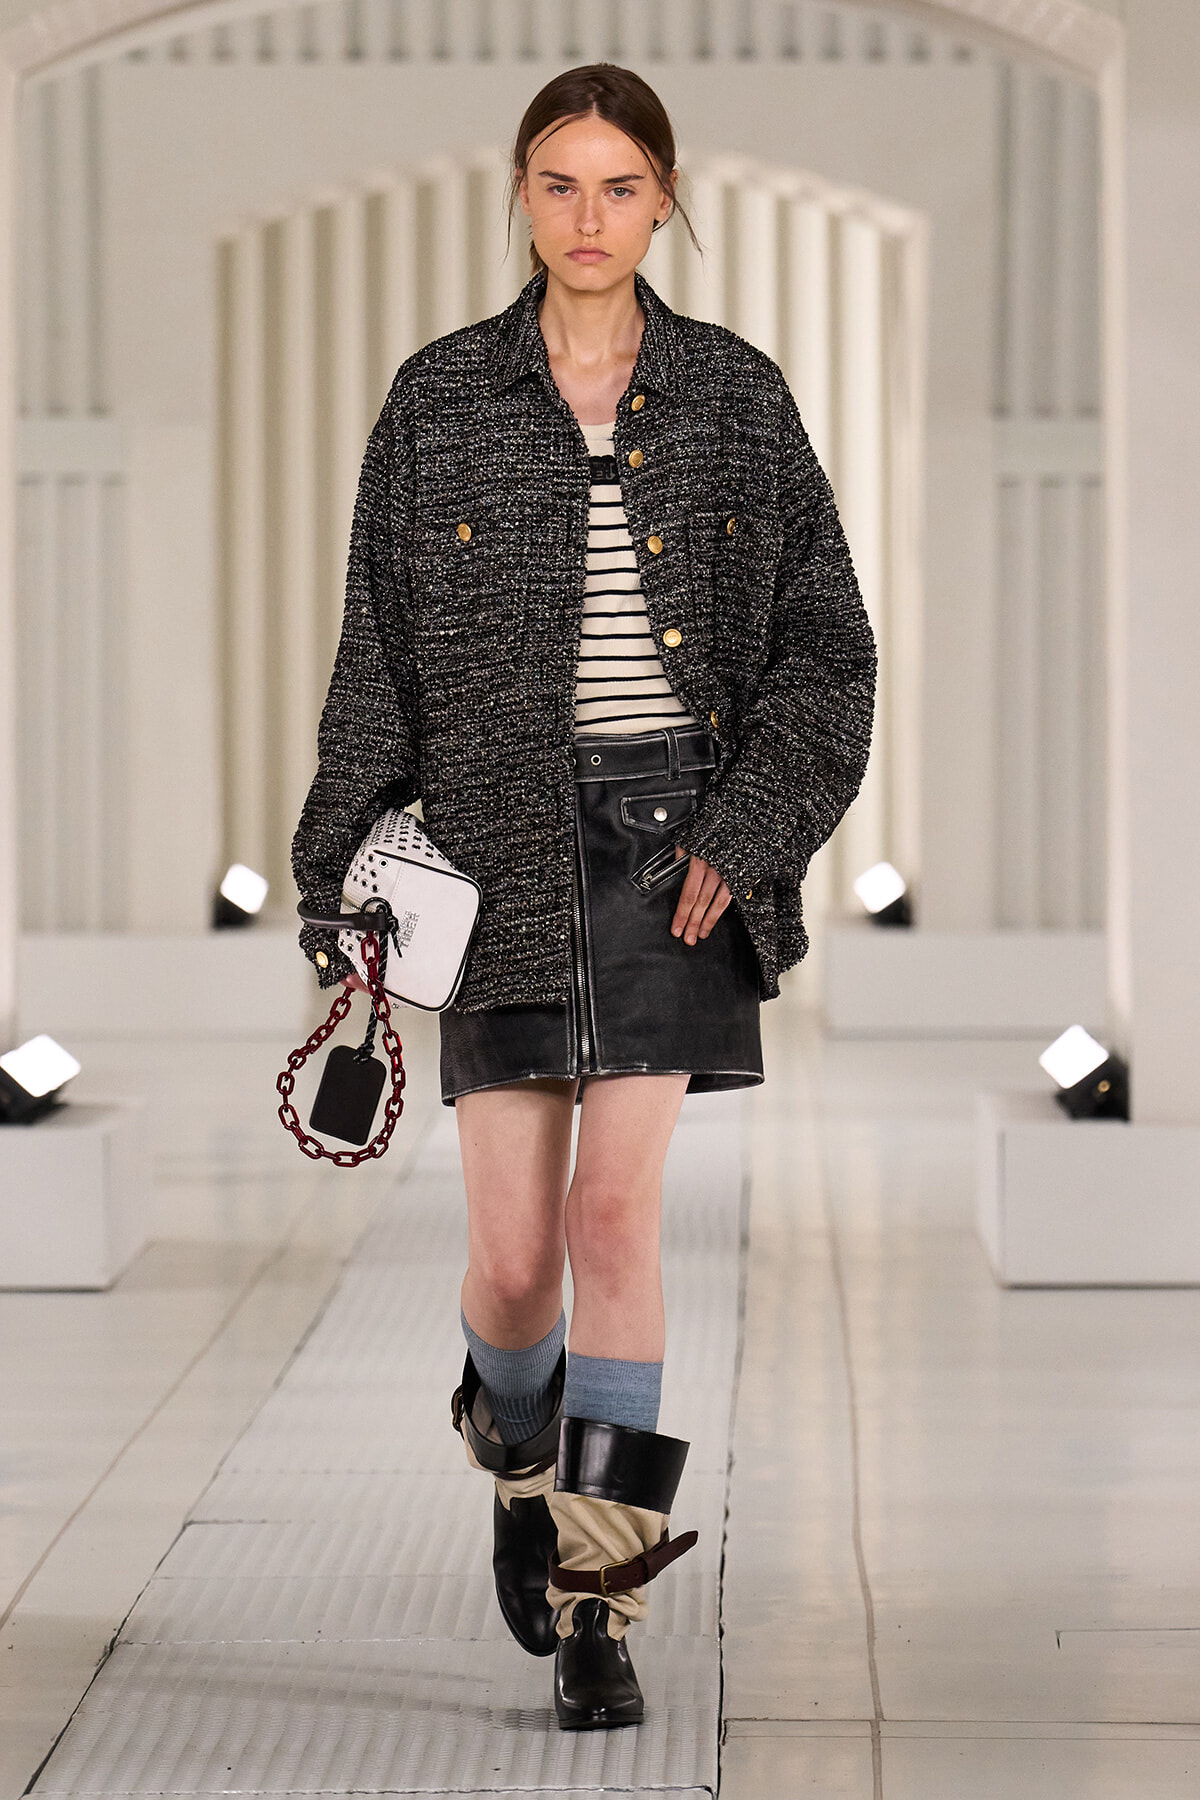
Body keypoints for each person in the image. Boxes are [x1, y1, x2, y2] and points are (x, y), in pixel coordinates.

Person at [293, 62, 875, 1731]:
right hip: (493, 850)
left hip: (675, 854)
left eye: (622, 186)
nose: (591, 216)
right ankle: (513, 1451)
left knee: (617, 1220)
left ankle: (599, 1595)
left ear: (667, 199)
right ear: (521, 197)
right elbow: (376, 659)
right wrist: (343, 868)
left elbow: (827, 654)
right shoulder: (440, 401)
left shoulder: (738, 400)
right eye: (562, 184)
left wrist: (749, 829)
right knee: (509, 1260)